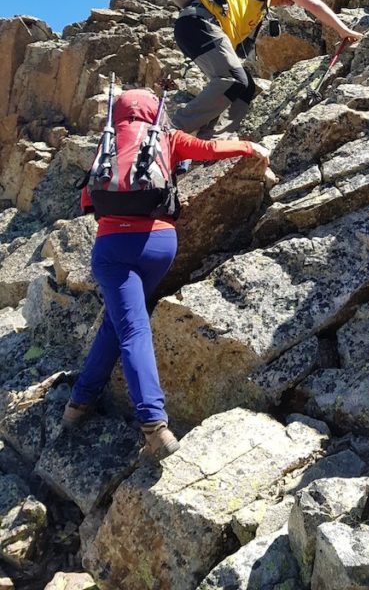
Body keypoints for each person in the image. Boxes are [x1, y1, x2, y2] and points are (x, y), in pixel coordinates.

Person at [63, 88, 270, 459]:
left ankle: (153, 424)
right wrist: (248, 147)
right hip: (160, 246)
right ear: (154, 110)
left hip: (113, 249)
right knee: (120, 320)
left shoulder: (109, 142)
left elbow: (86, 202)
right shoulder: (165, 137)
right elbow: (209, 150)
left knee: (131, 327)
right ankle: (79, 402)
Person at [171, 0, 362, 137]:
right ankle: (174, 128)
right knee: (233, 80)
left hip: (196, 28)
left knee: (244, 87)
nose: (290, 3)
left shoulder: (257, 2)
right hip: (200, 22)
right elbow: (312, 3)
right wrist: (342, 30)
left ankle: (211, 139)